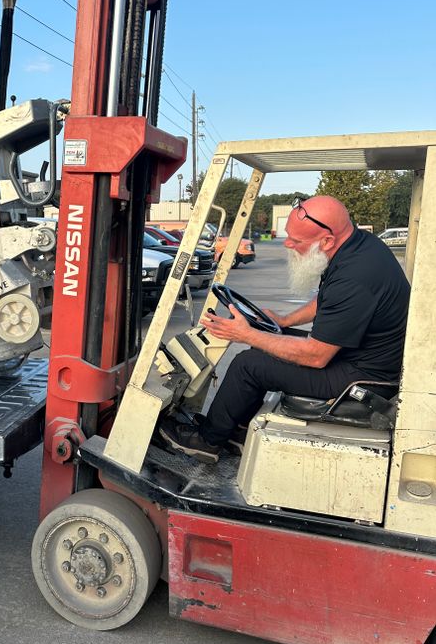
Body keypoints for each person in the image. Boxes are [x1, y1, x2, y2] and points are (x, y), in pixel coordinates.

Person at [158, 196, 411, 463]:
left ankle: (207, 442)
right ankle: (236, 430)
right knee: (265, 344)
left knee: (248, 365)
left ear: (327, 240)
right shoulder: (357, 247)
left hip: (363, 378)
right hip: (360, 356)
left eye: (297, 241)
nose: (288, 244)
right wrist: (283, 321)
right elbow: (324, 300)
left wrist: (245, 333)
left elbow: (316, 356)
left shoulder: (356, 275)